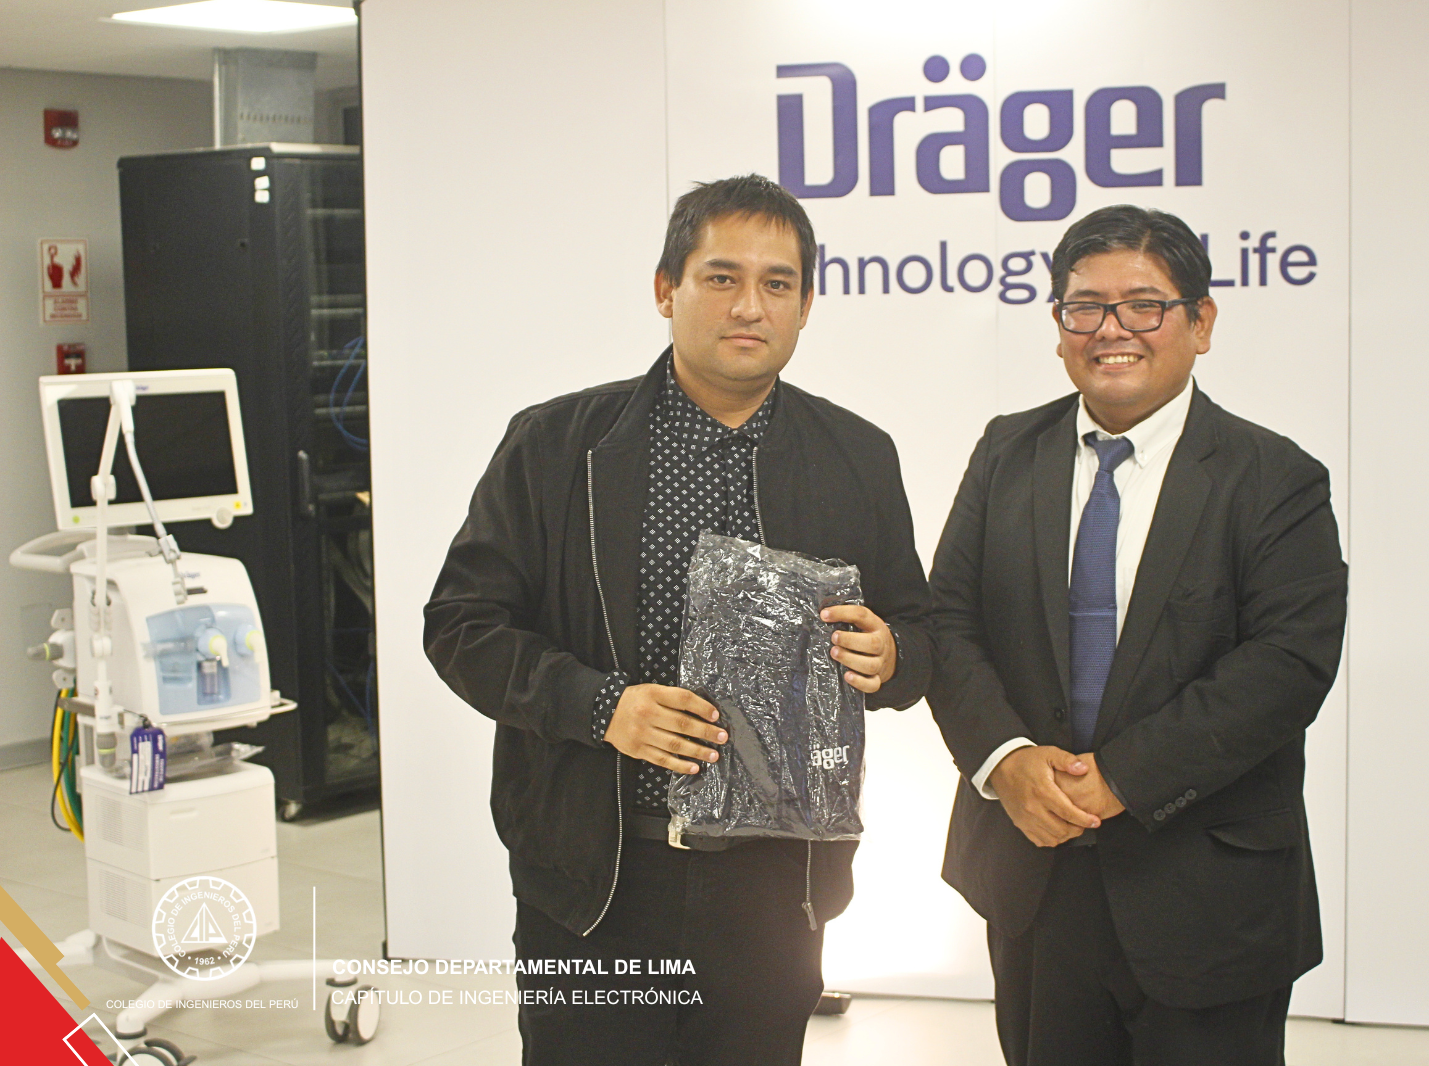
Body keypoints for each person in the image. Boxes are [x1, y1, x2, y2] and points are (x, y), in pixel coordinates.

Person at [423, 174, 932, 1066]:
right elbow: (462, 626)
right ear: (667, 289)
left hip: (777, 881)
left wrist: (890, 656)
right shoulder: (556, 446)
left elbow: (920, 635)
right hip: (599, 871)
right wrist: (601, 706)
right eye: (721, 277)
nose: (750, 306)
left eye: (778, 283)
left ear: (807, 305)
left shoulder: (857, 455)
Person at [927, 204, 1347, 1066]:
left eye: (1144, 305)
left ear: (1201, 322)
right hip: (1036, 870)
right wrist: (1006, 760)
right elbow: (948, 624)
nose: (1112, 329)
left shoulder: (1275, 477)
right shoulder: (1006, 453)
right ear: (1059, 327)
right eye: (1086, 307)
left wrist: (1120, 777)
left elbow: (1287, 665)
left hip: (1207, 889)